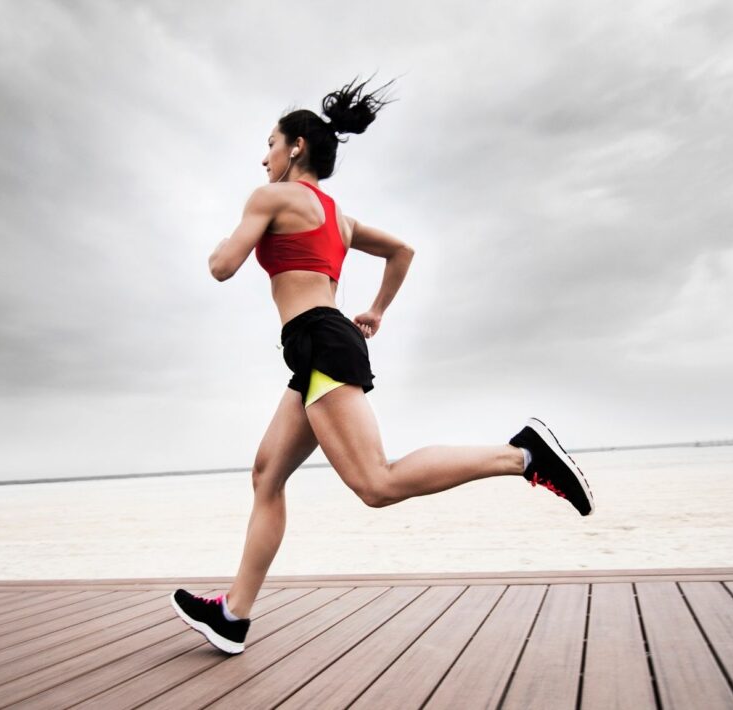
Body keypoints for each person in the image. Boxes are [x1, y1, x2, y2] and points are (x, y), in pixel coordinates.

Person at [170, 76, 594, 655]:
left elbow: (223, 266)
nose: (263, 157)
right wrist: (375, 311)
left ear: (296, 147)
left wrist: (223, 243)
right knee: (267, 475)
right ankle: (233, 616)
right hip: (320, 343)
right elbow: (402, 251)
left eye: (270, 144)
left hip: (319, 341)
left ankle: (522, 455)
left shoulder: (269, 198)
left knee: (377, 483)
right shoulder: (339, 218)